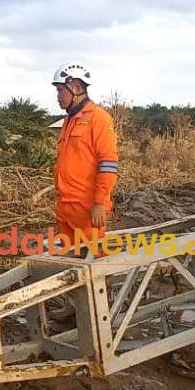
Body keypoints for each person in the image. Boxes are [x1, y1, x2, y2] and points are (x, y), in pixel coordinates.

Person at [51, 62, 119, 251]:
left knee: (93, 260)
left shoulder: (99, 118)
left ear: (76, 88)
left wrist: (99, 203)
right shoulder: (69, 120)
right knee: (70, 260)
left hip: (87, 209)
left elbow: (108, 164)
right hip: (65, 207)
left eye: (60, 91)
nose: (58, 96)